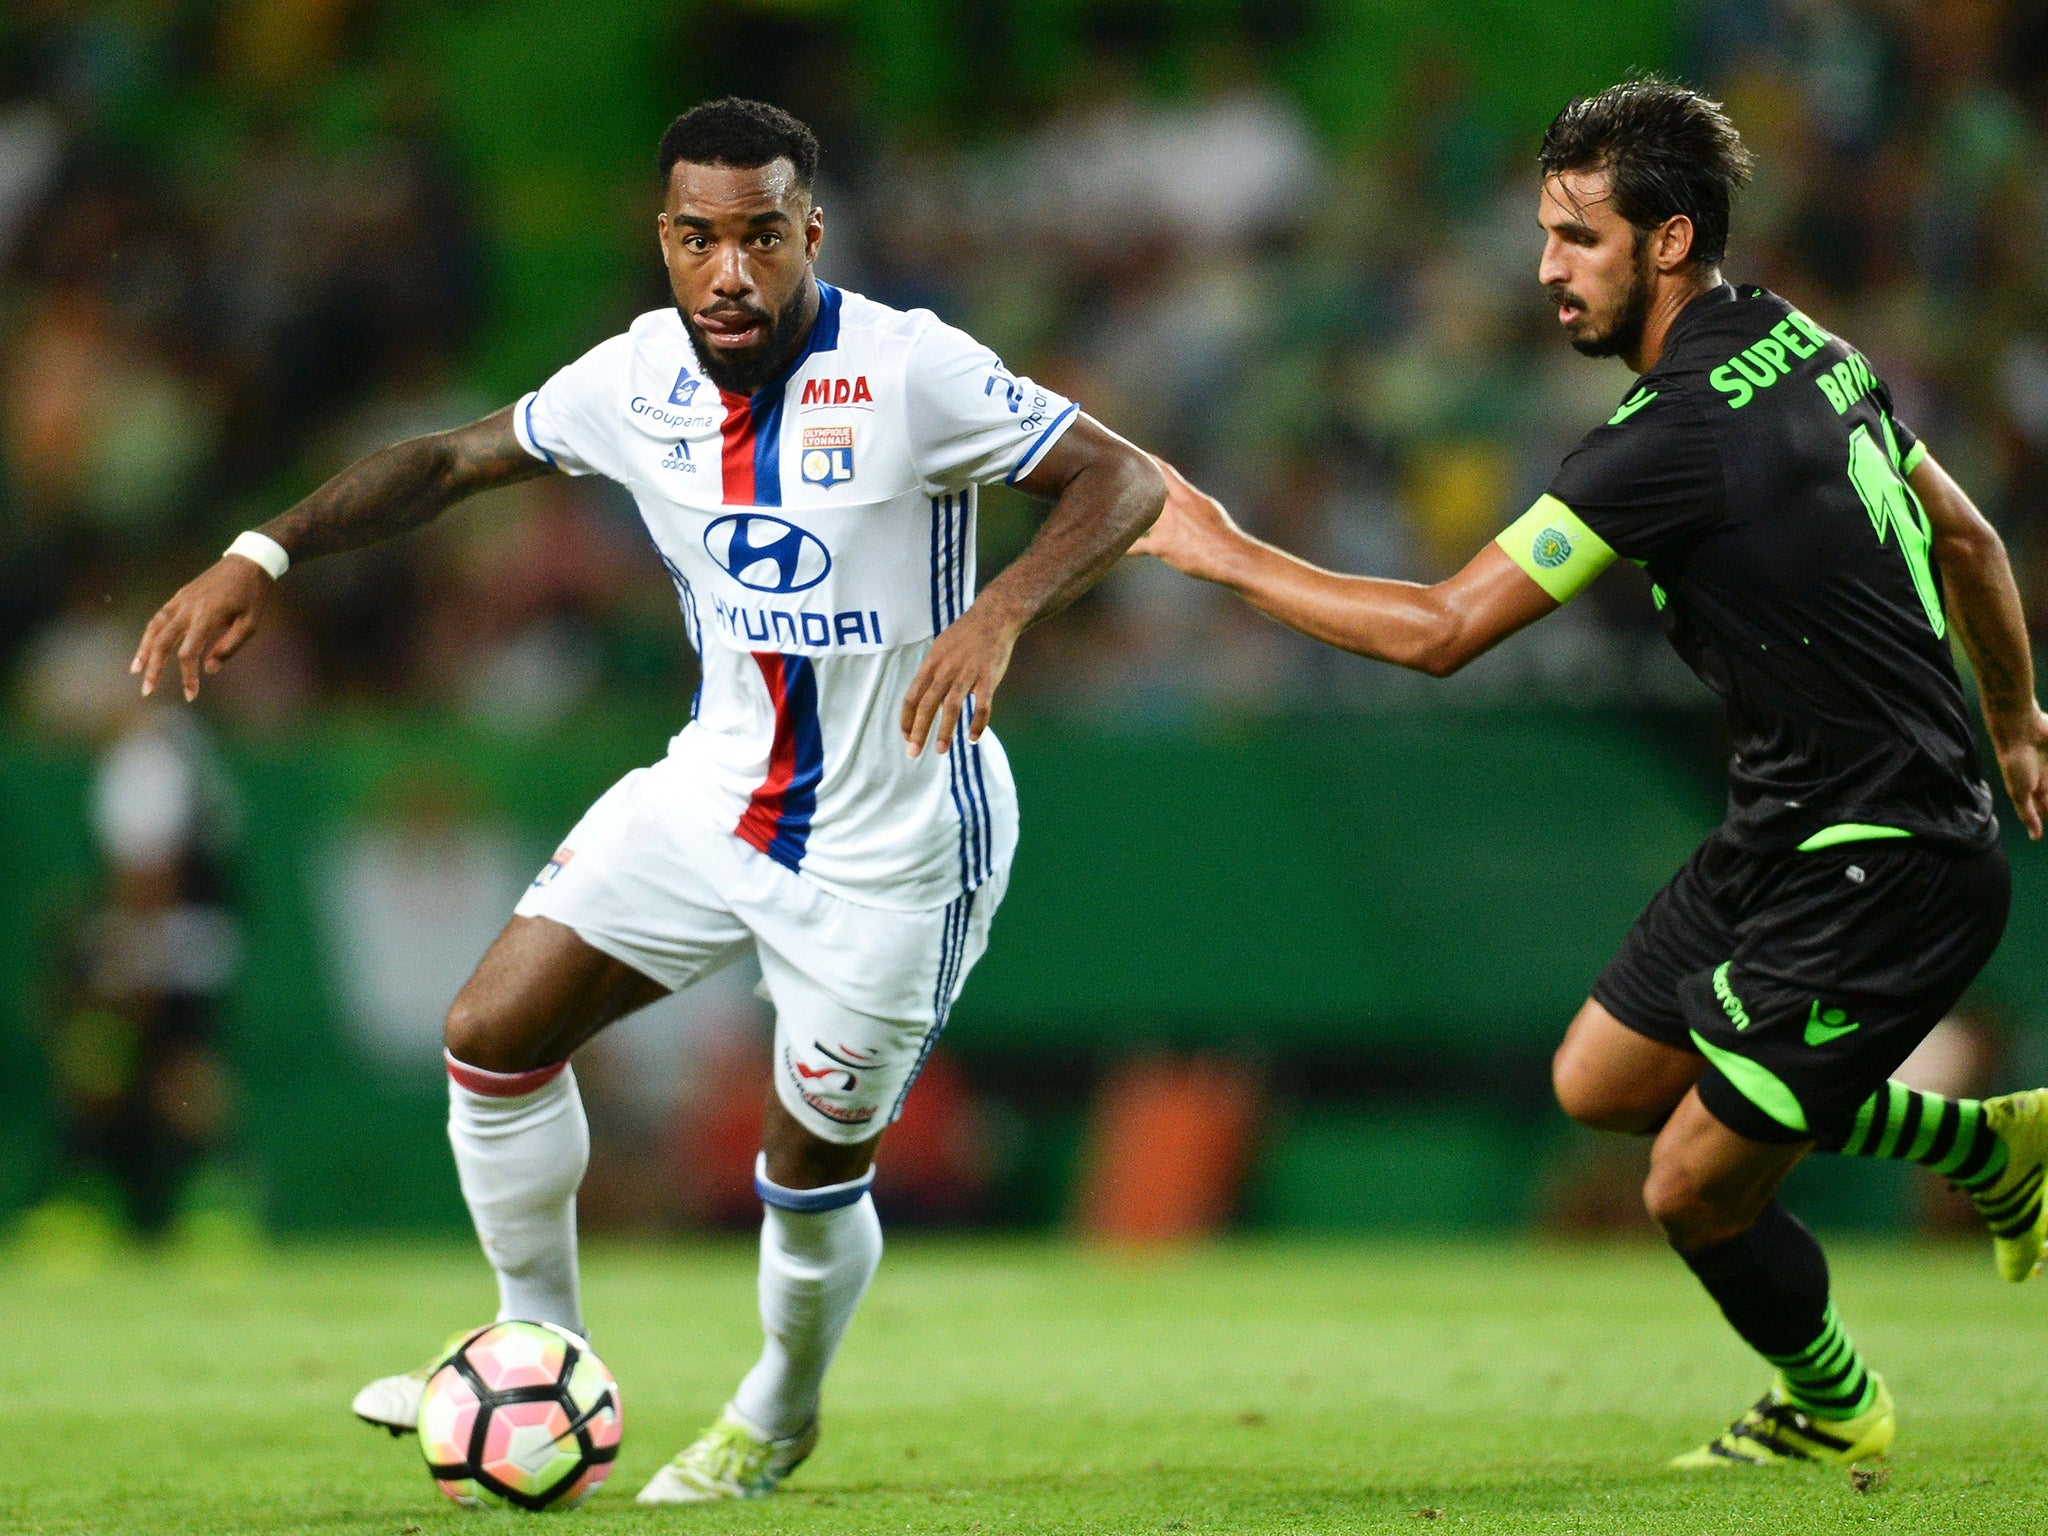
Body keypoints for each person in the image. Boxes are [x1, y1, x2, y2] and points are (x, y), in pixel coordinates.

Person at [131, 97, 1163, 1501]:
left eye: (759, 237)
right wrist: (262, 550)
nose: (729, 271)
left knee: (801, 1177)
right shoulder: (636, 380)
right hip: (715, 792)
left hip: (899, 844)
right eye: (698, 238)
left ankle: (777, 1411)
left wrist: (1004, 611)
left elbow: (1124, 477)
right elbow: (445, 461)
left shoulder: (913, 370)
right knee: (492, 1033)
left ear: (811, 232)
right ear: (663, 241)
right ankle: (535, 1343)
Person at [1134, 78, 2048, 1469]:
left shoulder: (1667, 439)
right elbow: (1972, 541)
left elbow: (1443, 633)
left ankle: (1832, 1405)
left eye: (1576, 238)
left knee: (1688, 1188)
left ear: (1668, 241)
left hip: (1888, 861)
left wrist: (1220, 551)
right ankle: (1986, 1149)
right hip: (1786, 824)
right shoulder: (1801, 341)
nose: (1546, 268)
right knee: (1603, 1083)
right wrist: (2022, 721)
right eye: (1547, 234)